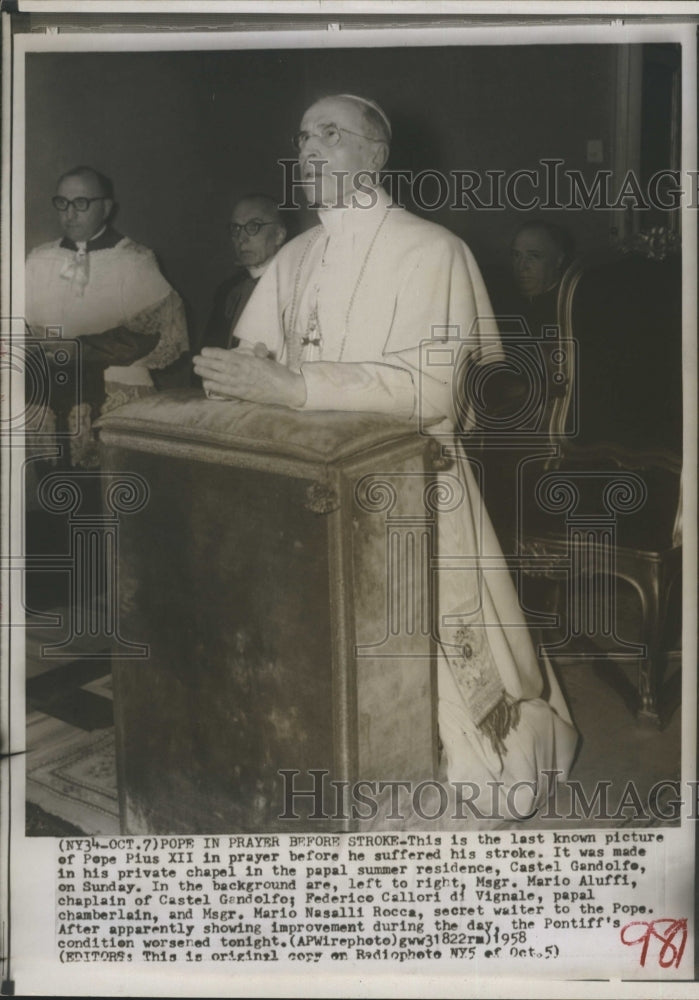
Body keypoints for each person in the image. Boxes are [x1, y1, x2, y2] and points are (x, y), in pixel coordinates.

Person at [193, 94, 578, 823]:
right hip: (304, 481)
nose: (308, 150)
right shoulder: (294, 254)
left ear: (375, 155)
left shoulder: (432, 250)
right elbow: (260, 352)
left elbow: (435, 389)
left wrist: (297, 385)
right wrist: (237, 371)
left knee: (439, 664)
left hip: (412, 483)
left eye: (330, 135)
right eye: (302, 135)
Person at [25, 165, 189, 467]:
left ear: (106, 208)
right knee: (56, 491)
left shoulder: (134, 260)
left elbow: (151, 334)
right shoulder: (38, 259)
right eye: (62, 203)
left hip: (112, 395)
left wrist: (75, 349)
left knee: (108, 496)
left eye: (81, 203)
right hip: (50, 397)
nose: (69, 214)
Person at [200, 194, 287, 352]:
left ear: (279, 235)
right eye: (236, 229)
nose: (242, 238)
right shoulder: (228, 290)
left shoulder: (293, 288)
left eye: (254, 227)